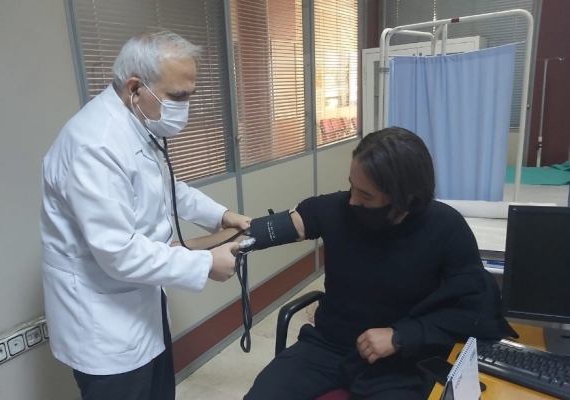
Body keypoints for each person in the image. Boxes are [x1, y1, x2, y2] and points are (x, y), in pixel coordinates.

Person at [40, 31, 250, 400]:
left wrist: (223, 216)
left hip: (141, 310)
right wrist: (205, 263)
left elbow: (167, 187)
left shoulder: (137, 124)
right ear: (135, 88)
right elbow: (118, 252)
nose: (185, 107)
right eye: (178, 96)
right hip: (105, 330)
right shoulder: (95, 145)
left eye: (190, 95)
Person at [238, 127, 516, 399]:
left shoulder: (445, 228)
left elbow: (472, 312)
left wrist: (400, 336)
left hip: (400, 360)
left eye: (366, 195)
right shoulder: (336, 209)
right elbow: (281, 226)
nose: (352, 200)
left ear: (406, 198)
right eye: (352, 186)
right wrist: (228, 246)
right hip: (327, 346)